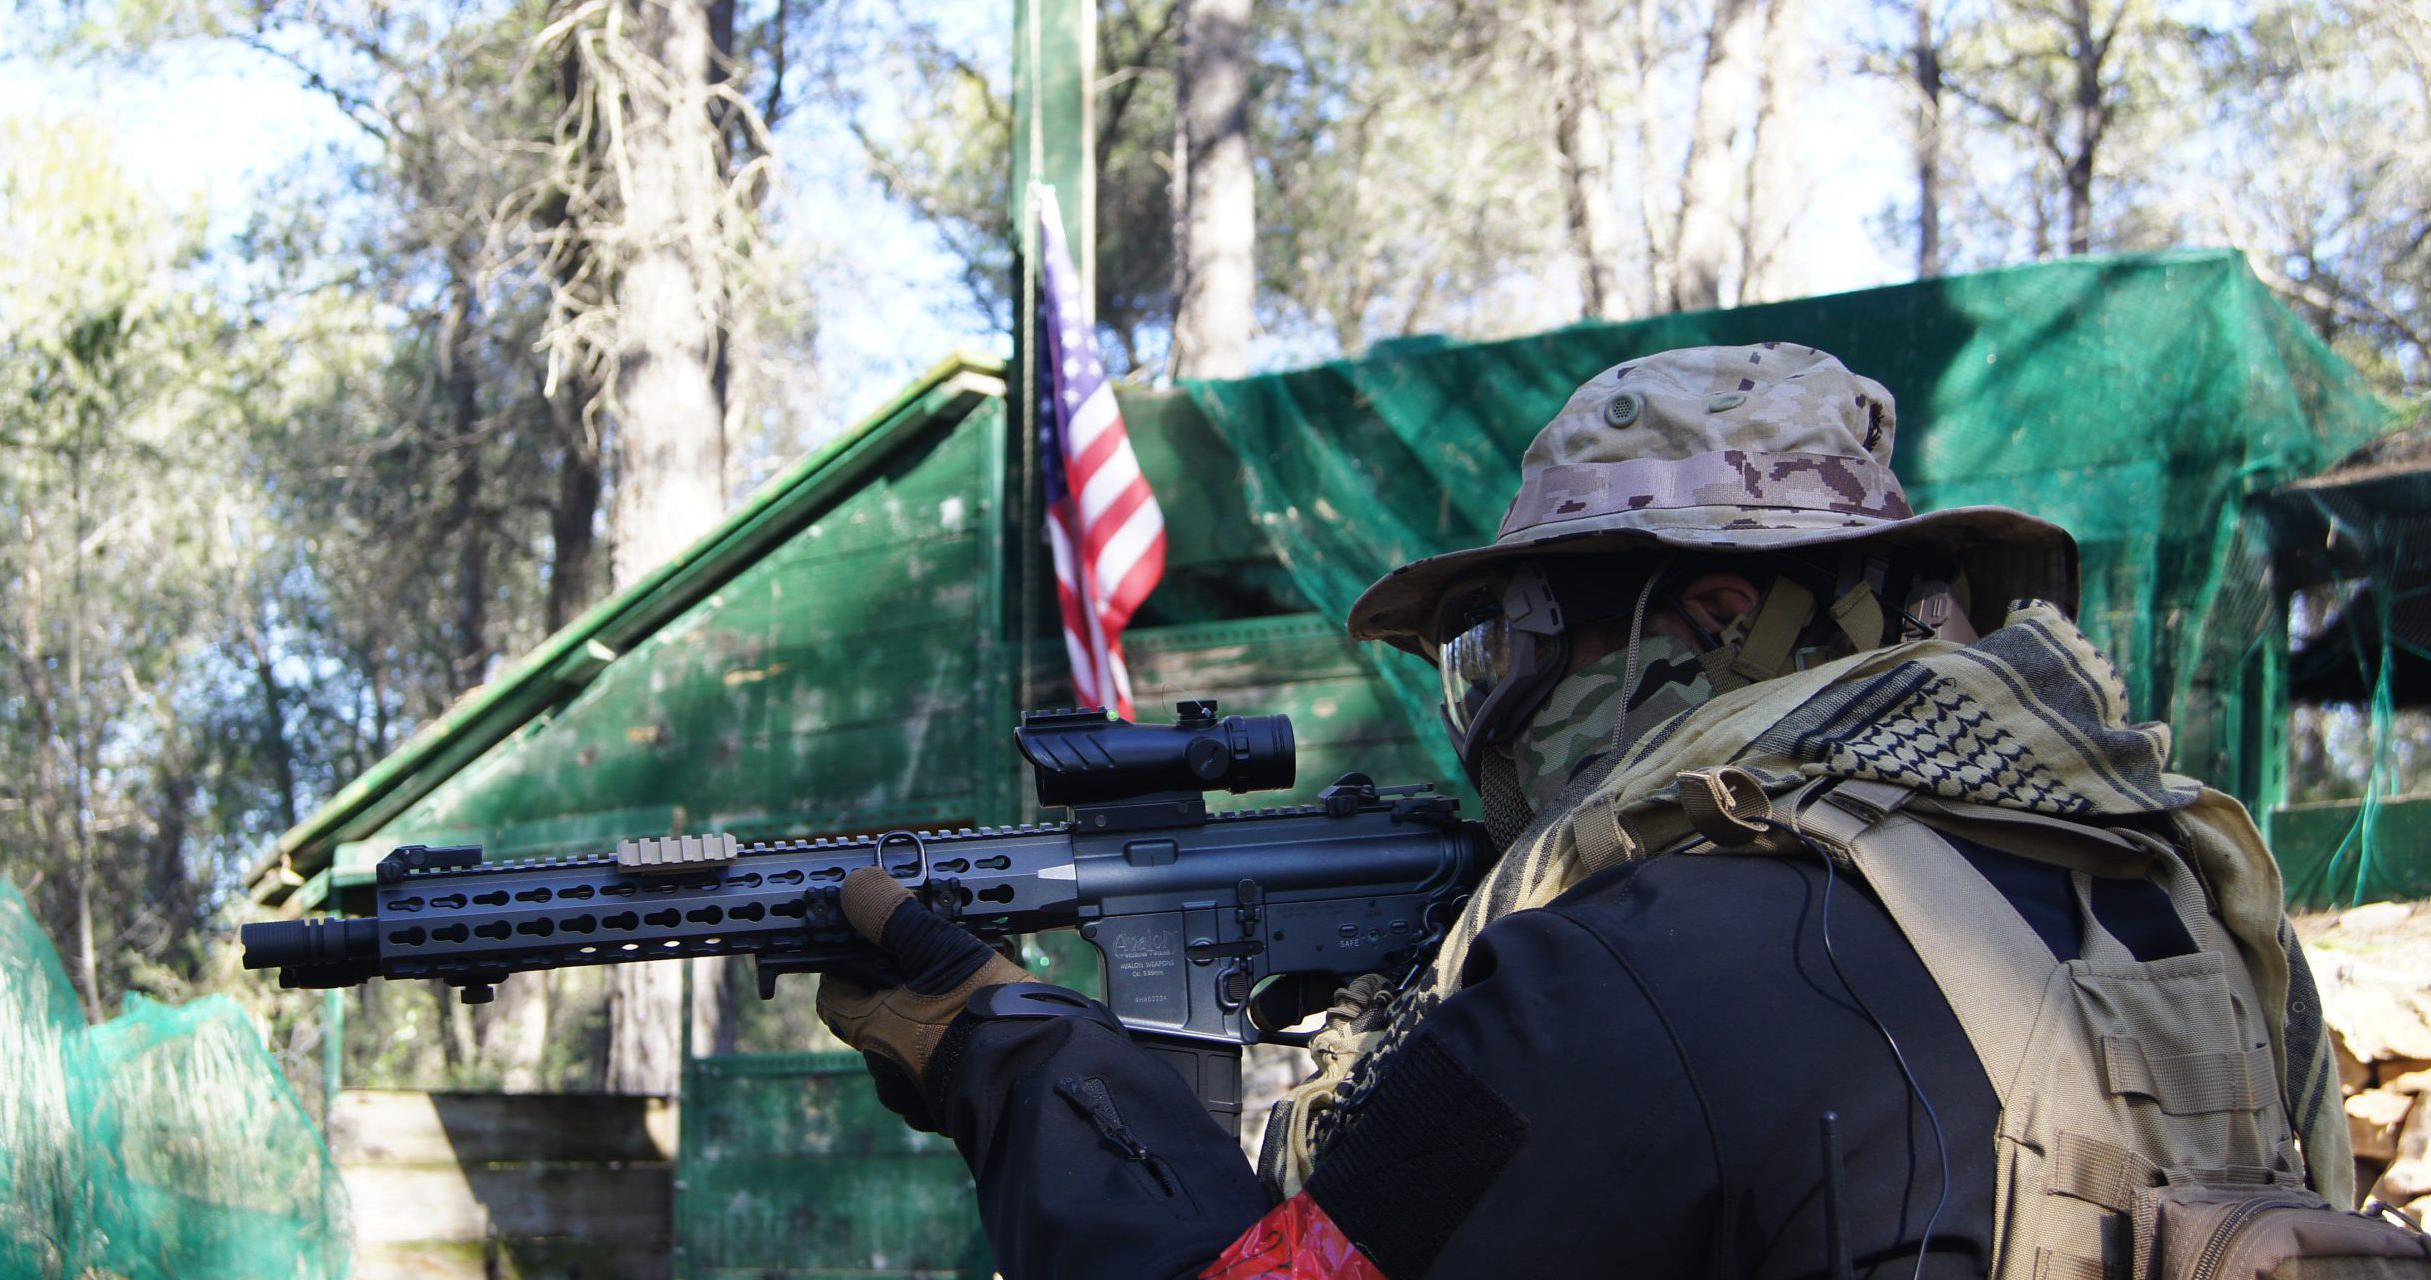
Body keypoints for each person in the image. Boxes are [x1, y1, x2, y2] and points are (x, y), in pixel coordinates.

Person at [813, 345, 2352, 1280]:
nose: (1485, 711)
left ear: (1720, 616)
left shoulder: (1647, 966)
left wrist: (1005, 1056)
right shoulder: (2193, 903)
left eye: (1511, 647)